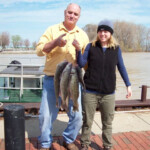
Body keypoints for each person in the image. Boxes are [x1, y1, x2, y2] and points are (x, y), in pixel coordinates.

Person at [36, 3, 89, 150]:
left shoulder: (83, 35)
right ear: (65, 12)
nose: (72, 16)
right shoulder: (52, 30)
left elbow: (85, 62)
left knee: (78, 116)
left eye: (75, 14)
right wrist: (54, 43)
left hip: (73, 81)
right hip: (51, 80)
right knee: (46, 116)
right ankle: (45, 144)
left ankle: (68, 139)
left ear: (79, 17)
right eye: (69, 12)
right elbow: (39, 51)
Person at [76, 19, 132, 150]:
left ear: (110, 33)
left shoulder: (116, 49)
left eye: (106, 31)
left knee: (107, 122)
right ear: (97, 33)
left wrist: (128, 84)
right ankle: (85, 143)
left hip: (108, 93)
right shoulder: (91, 46)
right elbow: (81, 63)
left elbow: (121, 67)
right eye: (100, 31)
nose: (103, 33)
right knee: (87, 121)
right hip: (90, 91)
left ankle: (107, 145)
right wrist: (78, 50)